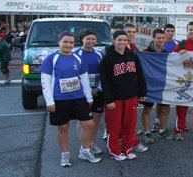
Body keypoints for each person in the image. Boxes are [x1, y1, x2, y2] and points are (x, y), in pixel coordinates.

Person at [39, 31, 101, 167]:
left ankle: (85, 150)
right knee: (63, 127)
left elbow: (84, 79)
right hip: (59, 99)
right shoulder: (52, 58)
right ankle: (65, 155)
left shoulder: (78, 58)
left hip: (78, 97)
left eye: (71, 42)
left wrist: (89, 97)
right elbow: (45, 81)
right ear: (59, 42)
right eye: (65, 42)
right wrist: (49, 101)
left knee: (88, 124)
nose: (68, 45)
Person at [100, 30, 147, 161]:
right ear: (114, 41)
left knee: (130, 125)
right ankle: (114, 151)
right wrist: (109, 100)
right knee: (114, 126)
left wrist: (142, 91)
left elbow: (140, 75)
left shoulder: (132, 56)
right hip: (115, 98)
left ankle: (127, 148)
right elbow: (105, 81)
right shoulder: (107, 59)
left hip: (131, 96)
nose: (122, 42)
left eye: (124, 40)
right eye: (119, 40)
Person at [141, 29, 174, 142]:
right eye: (158, 38)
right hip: (149, 86)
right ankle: (147, 132)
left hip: (163, 86)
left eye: (163, 38)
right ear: (153, 38)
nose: (161, 40)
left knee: (165, 108)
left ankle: (162, 130)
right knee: (147, 109)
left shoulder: (167, 54)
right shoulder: (145, 53)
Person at [74, 29, 104, 155]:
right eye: (88, 39)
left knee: (95, 120)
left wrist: (98, 88)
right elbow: (74, 75)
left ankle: (91, 143)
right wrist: (87, 90)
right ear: (82, 39)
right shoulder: (76, 54)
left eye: (93, 39)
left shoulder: (99, 54)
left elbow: (103, 73)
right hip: (83, 93)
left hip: (97, 91)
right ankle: (84, 146)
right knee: (84, 121)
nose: (91, 41)